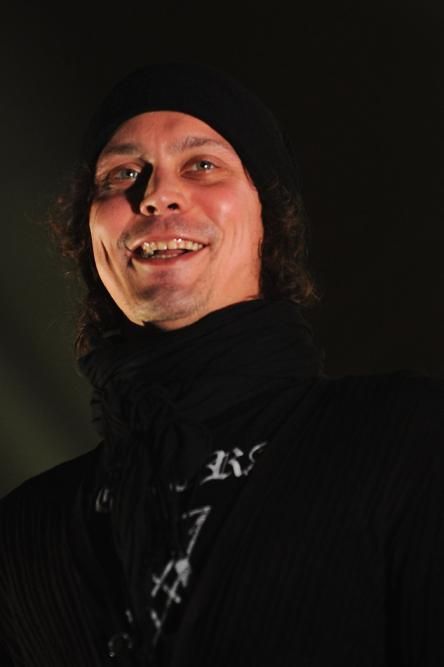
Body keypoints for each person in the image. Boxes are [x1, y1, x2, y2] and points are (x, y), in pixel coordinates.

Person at [1, 62, 443, 667]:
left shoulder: (405, 438)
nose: (155, 194)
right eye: (122, 174)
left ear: (270, 219)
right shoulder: (25, 533)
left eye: (202, 165)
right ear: (90, 233)